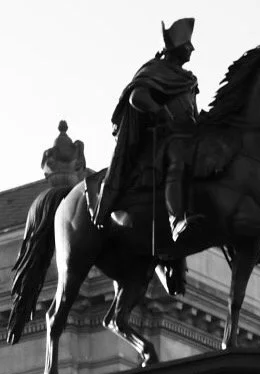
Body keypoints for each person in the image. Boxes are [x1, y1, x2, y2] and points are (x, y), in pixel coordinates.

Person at [96, 18, 202, 250]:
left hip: (188, 135)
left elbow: (192, 112)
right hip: (162, 137)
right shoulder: (155, 70)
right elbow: (137, 97)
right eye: (188, 45)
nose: (192, 49)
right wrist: (162, 113)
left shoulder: (188, 79)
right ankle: (176, 219)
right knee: (178, 155)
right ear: (176, 47)